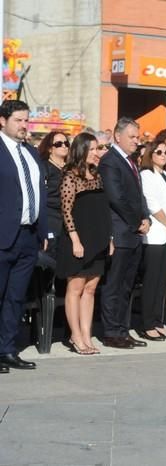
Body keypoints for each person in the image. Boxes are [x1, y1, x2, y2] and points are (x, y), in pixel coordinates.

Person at [0, 100, 47, 372]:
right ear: (3, 121)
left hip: (28, 236)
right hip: (4, 235)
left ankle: (6, 349)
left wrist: (42, 230)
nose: (23, 125)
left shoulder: (30, 152)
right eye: (18, 120)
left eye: (26, 120)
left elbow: (37, 190)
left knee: (16, 297)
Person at [56, 132, 111, 354]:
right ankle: (76, 336)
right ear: (82, 150)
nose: (98, 153)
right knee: (76, 287)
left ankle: (87, 335)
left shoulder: (96, 176)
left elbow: (102, 211)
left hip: (98, 240)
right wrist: (76, 241)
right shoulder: (70, 176)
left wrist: (109, 238)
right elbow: (66, 211)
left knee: (90, 289)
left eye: (99, 149)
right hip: (77, 240)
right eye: (94, 149)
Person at [98, 117, 150, 350]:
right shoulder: (110, 161)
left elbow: (139, 195)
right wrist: (136, 221)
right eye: (132, 137)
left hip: (134, 232)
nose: (136, 141)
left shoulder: (131, 162)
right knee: (114, 285)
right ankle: (111, 332)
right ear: (117, 136)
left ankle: (123, 329)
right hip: (121, 231)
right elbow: (116, 197)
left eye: (138, 137)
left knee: (127, 285)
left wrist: (146, 216)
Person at [139, 141, 166, 341]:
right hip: (155, 234)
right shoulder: (146, 175)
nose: (164, 155)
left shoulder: (165, 175)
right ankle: (147, 324)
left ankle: (157, 321)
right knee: (151, 281)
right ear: (151, 154)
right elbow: (152, 204)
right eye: (159, 152)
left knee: (162, 281)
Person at [37, 131, 70, 258]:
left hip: (68, 222)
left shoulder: (71, 168)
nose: (64, 146)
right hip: (51, 219)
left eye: (66, 143)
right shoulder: (44, 167)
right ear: (50, 148)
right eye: (58, 144)